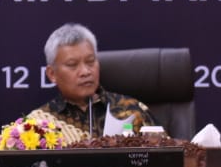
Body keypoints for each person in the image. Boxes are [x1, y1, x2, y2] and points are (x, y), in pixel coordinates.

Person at [27, 23, 157, 145]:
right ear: (52, 74)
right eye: (72, 65)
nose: (85, 71)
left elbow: (167, 158)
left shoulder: (131, 109)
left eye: (90, 61)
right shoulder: (38, 123)